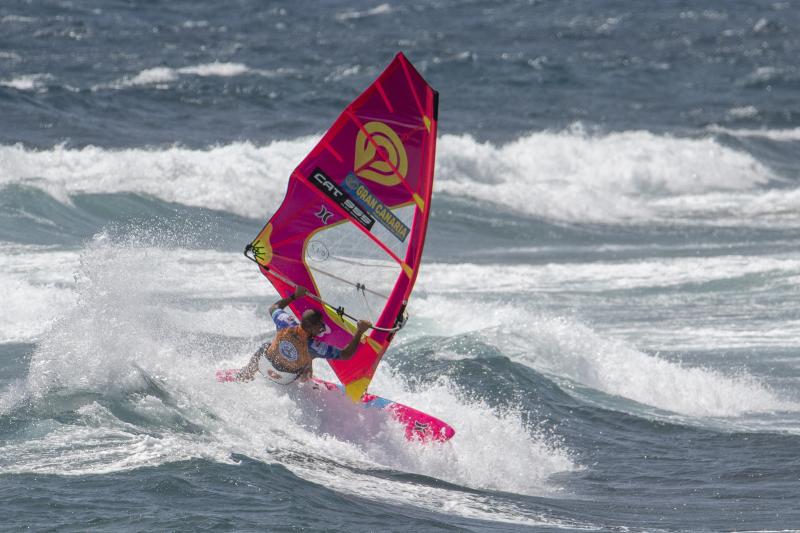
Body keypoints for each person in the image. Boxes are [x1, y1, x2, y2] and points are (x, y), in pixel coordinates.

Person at [236, 286, 371, 384]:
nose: (323, 329)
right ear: (312, 327)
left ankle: (246, 373)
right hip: (285, 379)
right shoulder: (315, 347)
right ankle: (307, 384)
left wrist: (294, 296)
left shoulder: (285, 323)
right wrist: (359, 331)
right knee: (308, 359)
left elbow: (273, 308)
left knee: (265, 346)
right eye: (320, 326)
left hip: (264, 365)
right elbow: (346, 354)